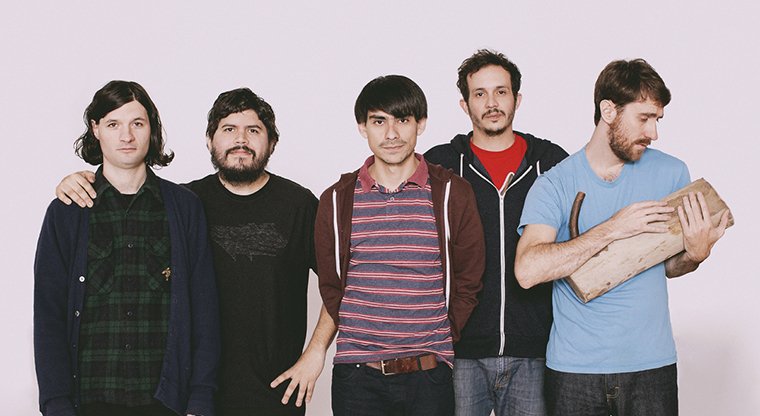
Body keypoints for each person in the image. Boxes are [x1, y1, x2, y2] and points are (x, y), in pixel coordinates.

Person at [54, 88, 334, 415]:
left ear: (272, 141)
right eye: (229, 129)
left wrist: (315, 354)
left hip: (274, 394)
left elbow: (341, 281)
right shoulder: (184, 204)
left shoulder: (299, 205)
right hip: (192, 395)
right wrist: (80, 182)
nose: (240, 140)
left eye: (253, 130)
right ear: (209, 140)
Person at [514, 59, 730, 415]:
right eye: (644, 118)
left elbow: (669, 267)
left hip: (652, 367)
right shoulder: (555, 183)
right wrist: (613, 228)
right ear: (608, 111)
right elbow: (527, 271)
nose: (653, 132)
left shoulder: (672, 172)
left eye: (657, 119)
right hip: (574, 371)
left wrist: (695, 254)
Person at [34, 80, 220, 416]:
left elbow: (204, 311)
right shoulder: (67, 212)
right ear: (96, 130)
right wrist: (56, 403)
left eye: (137, 123)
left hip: (166, 402)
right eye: (113, 124)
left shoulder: (184, 207)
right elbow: (48, 315)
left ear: (152, 128)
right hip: (88, 400)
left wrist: (200, 399)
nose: (126, 136)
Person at [315, 75, 486, 415]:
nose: (391, 134)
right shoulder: (336, 199)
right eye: (379, 121)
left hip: (428, 375)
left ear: (420, 124)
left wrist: (442, 335)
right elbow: (332, 285)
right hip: (357, 377)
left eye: (402, 120)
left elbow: (469, 278)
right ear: (363, 127)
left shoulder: (452, 192)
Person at [425, 49, 567, 415]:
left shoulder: (550, 163)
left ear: (517, 98)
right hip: (459, 352)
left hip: (534, 352)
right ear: (464, 104)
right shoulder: (440, 165)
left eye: (501, 92)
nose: (492, 103)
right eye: (480, 94)